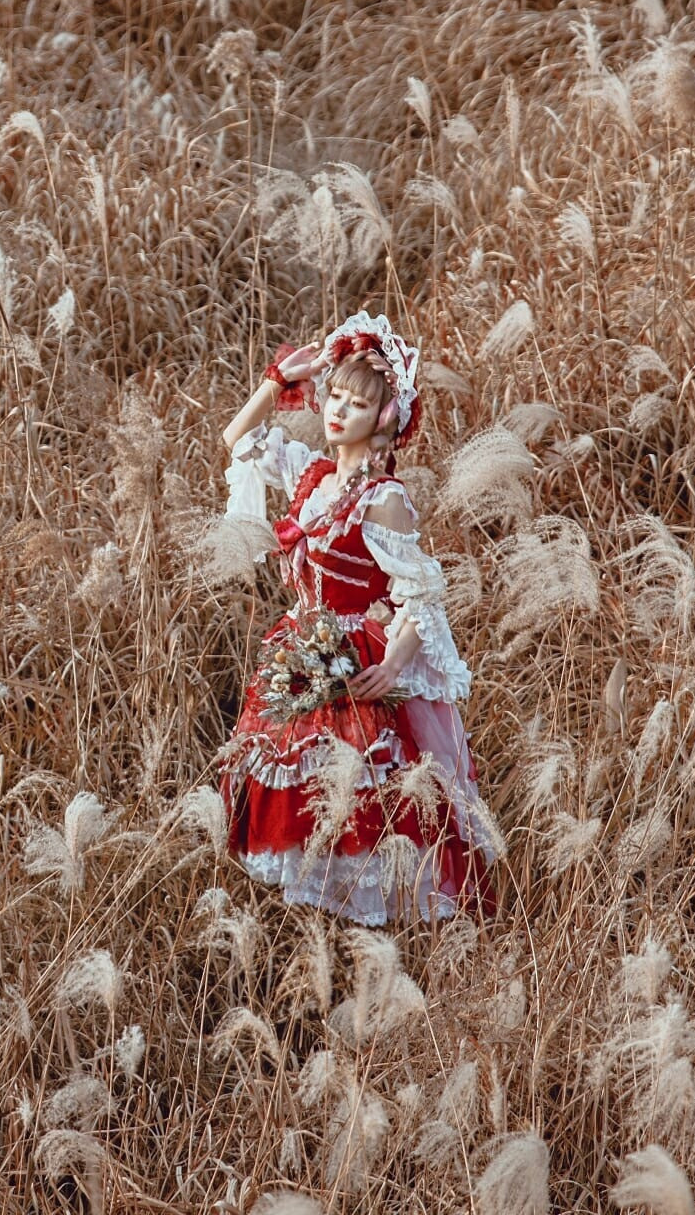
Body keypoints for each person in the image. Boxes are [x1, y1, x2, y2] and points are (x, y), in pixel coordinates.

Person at [214, 310, 502, 924]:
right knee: (289, 805)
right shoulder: (312, 476)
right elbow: (236, 440)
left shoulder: (383, 498)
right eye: (334, 397)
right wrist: (276, 383)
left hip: (351, 662)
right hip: (299, 650)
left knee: (357, 812)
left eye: (357, 404)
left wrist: (394, 662)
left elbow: (420, 592)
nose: (336, 411)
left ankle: (364, 939)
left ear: (386, 420)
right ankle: (309, 937)